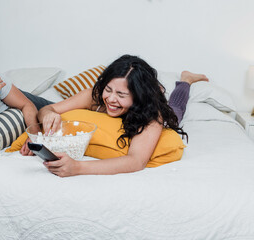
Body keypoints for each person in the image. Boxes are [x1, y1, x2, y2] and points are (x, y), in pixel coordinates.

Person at [37, 55, 208, 177]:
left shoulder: (152, 115)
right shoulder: (93, 96)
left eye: (121, 94)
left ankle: (186, 80)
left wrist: (78, 168)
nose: (111, 99)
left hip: (152, 109)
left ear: (137, 97)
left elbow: (136, 161)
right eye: (108, 90)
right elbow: (47, 109)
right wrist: (49, 115)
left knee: (176, 109)